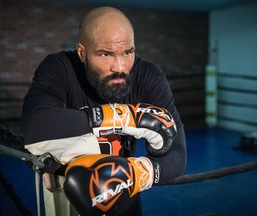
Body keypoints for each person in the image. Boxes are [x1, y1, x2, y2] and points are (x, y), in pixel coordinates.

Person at [22, 6, 186, 216]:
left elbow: (178, 154)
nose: (120, 67)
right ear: (82, 52)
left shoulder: (148, 76)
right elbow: (34, 123)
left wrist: (137, 174)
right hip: (64, 194)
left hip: (123, 192)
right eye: (106, 54)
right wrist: (122, 117)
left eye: (128, 52)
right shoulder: (60, 67)